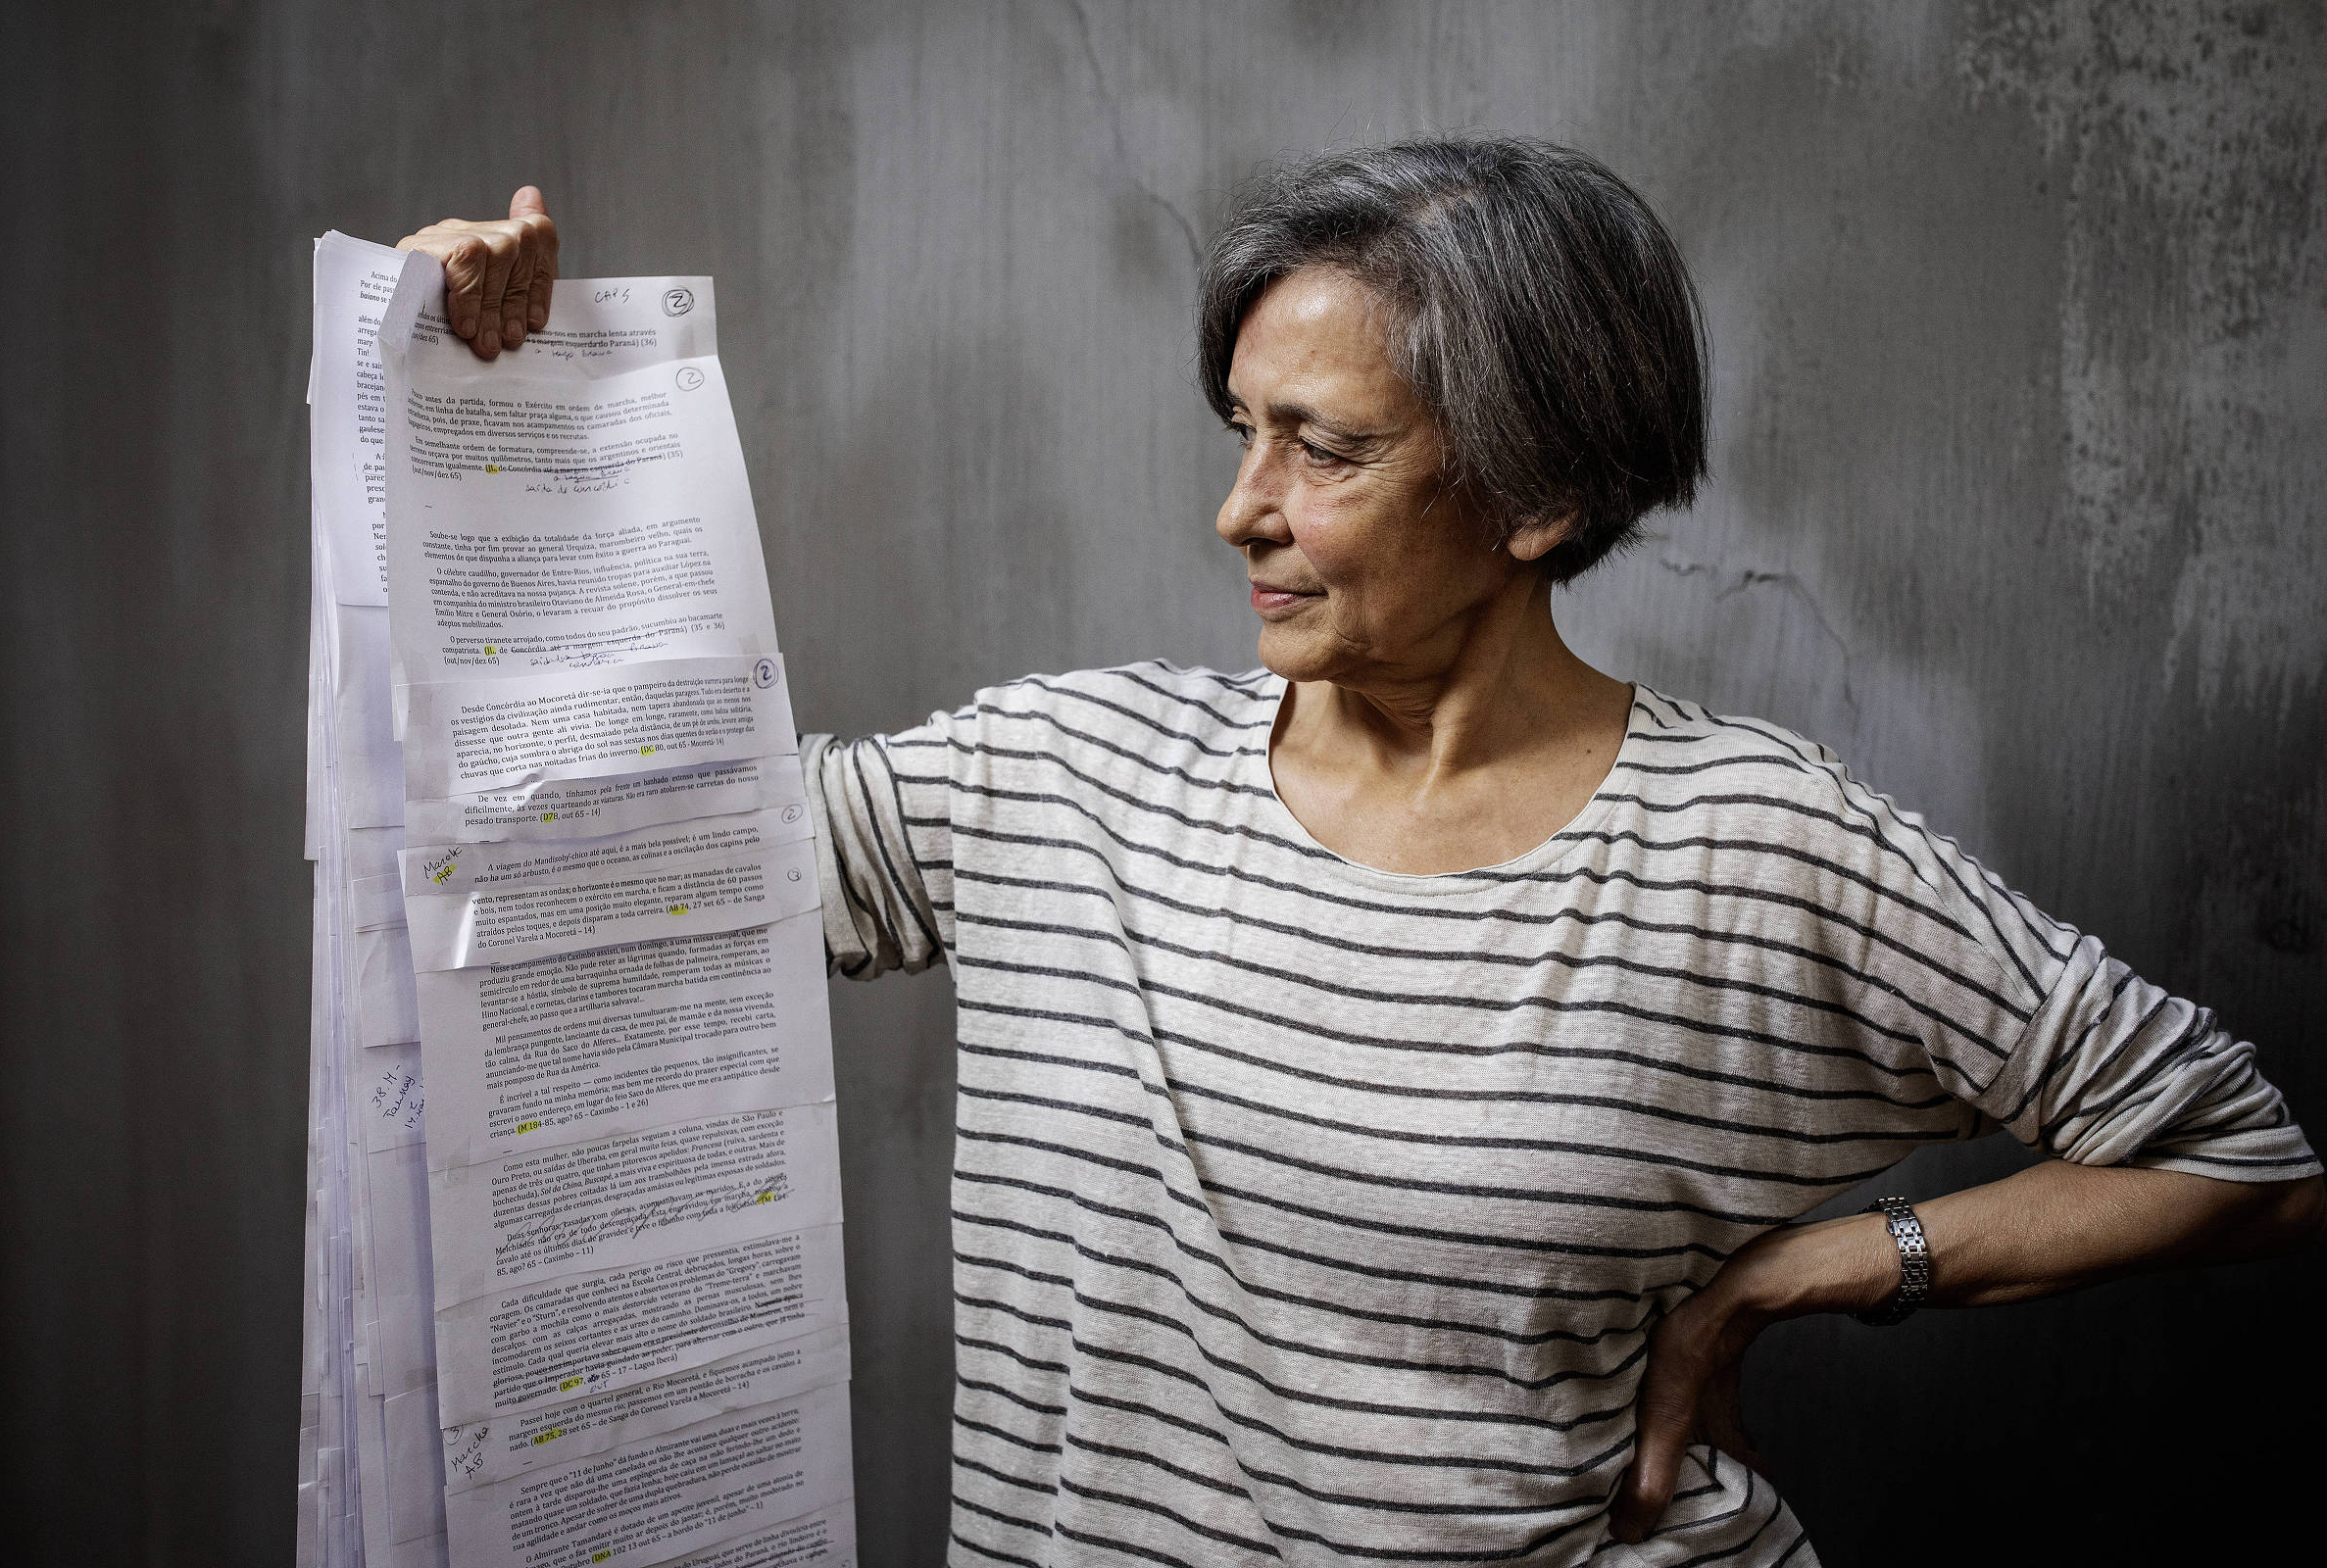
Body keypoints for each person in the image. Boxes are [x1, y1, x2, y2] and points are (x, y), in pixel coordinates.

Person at [399, 137, 2322, 1567]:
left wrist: (1815, 1269)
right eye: (1241, 428)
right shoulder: (1055, 776)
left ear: (1540, 493)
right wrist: (476, 412)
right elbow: (569, 853)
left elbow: (2245, 1158)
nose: (1240, 506)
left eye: (1324, 447)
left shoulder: (1755, 846)